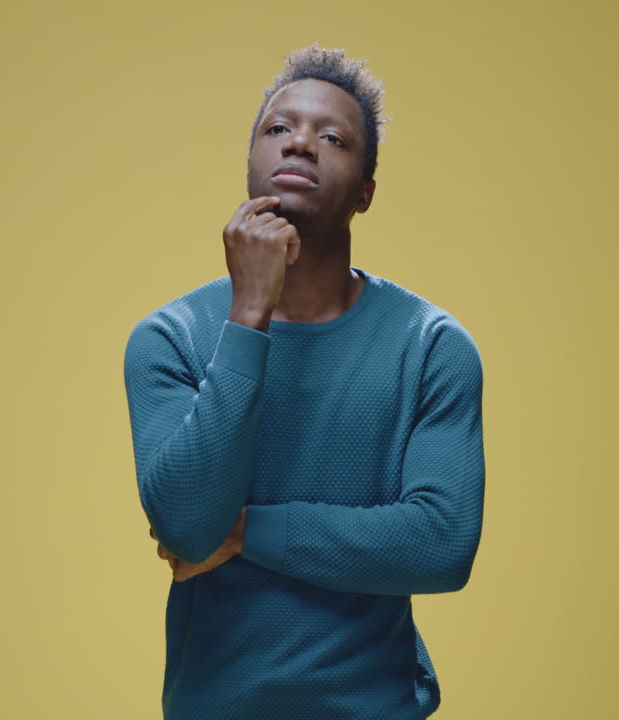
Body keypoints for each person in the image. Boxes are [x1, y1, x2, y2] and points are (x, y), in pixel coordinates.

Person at [122, 43, 485, 720]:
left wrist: (248, 533)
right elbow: (188, 526)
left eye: (332, 137)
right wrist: (249, 314)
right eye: (278, 128)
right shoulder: (169, 339)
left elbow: (441, 543)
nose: (301, 146)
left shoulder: (432, 347)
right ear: (253, 162)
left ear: (366, 192)